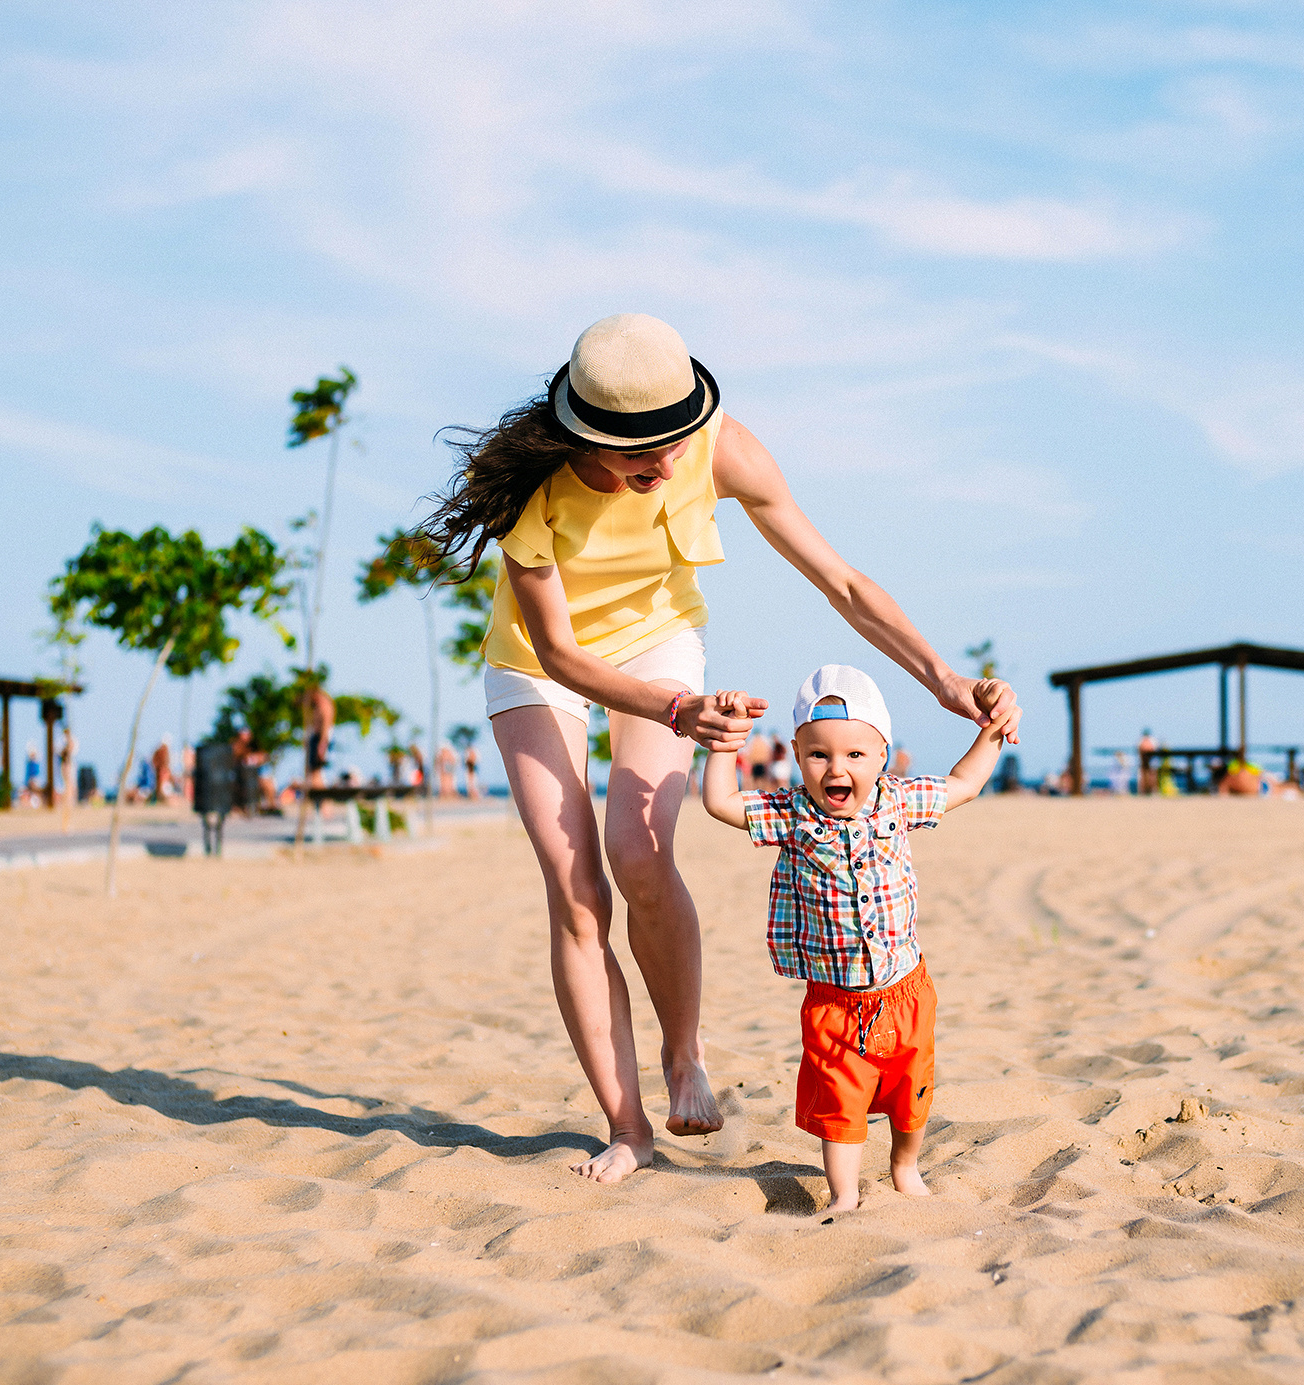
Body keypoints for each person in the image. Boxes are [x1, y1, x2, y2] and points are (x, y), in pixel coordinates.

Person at [415, 313, 1018, 1184]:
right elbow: (560, 654)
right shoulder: (531, 491)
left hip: (659, 645)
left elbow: (842, 581)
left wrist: (942, 680)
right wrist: (679, 709)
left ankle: (682, 1052)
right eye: (638, 452)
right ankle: (627, 1127)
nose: (663, 463)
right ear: (583, 432)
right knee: (577, 887)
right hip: (544, 668)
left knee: (641, 853)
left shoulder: (721, 448)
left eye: (673, 438)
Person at [700, 665, 1009, 1211]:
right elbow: (721, 803)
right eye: (819, 755)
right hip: (835, 1002)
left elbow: (964, 783)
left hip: (905, 991)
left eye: (855, 756)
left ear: (882, 756)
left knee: (911, 1092)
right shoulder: (790, 815)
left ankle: (904, 1166)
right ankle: (844, 1194)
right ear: (797, 755)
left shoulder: (897, 801)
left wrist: (991, 731)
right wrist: (725, 741)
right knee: (841, 1103)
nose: (836, 768)